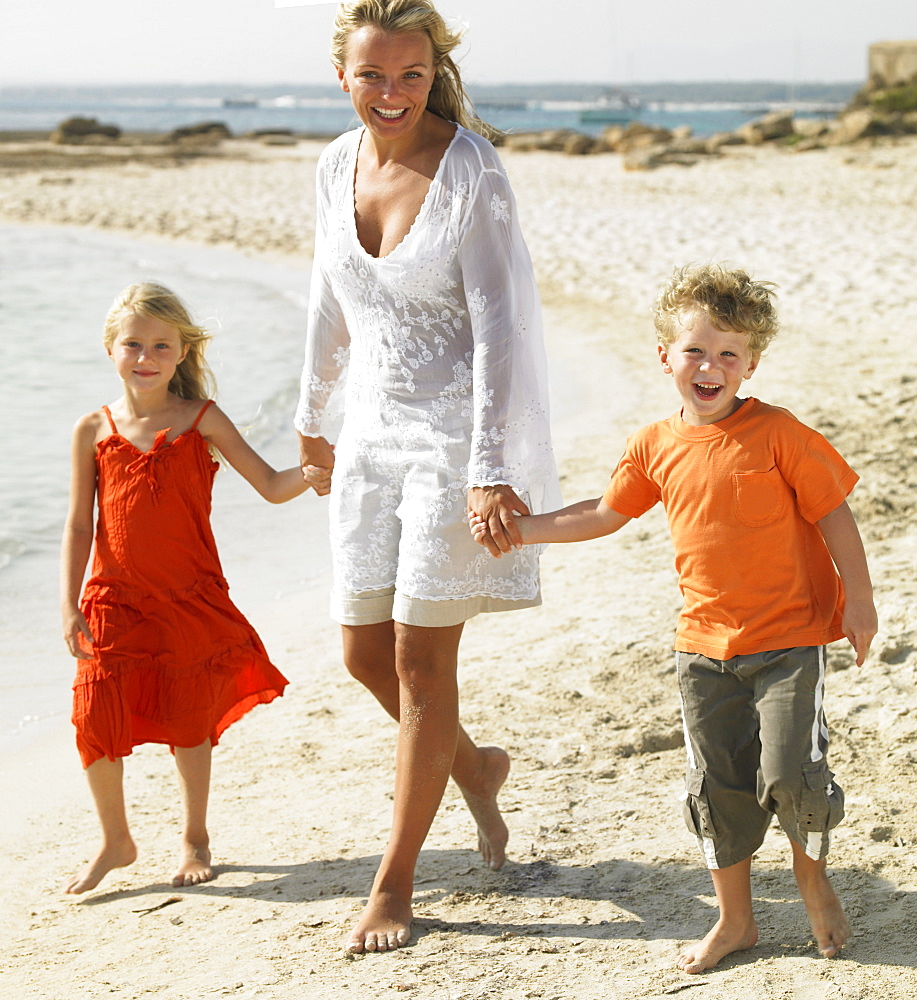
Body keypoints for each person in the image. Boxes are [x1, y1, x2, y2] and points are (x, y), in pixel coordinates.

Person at [471, 263, 878, 973]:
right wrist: (525, 528)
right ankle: (736, 921)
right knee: (717, 788)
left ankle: (813, 882)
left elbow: (835, 515)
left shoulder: (779, 434)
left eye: (729, 353)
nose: (711, 366)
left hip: (791, 641)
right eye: (695, 350)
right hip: (702, 648)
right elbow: (603, 514)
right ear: (665, 358)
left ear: (753, 361)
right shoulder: (654, 445)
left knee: (791, 775)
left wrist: (862, 602)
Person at [294, 0, 559, 954]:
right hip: (367, 434)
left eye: (410, 75)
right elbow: (328, 293)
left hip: (452, 443)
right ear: (344, 76)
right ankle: (476, 769)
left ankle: (394, 882)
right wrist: (309, 419)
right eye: (373, 75)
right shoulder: (332, 163)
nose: (392, 93)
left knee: (418, 662)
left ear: (433, 72)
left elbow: (500, 328)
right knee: (363, 655)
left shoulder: (474, 172)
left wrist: (492, 469)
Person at [61, 281, 322, 894]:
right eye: (133, 344)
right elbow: (79, 524)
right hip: (112, 598)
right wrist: (68, 606)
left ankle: (195, 834)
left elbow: (269, 483)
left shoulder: (200, 419)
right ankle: (115, 839)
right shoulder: (91, 430)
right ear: (110, 349)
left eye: (160, 346)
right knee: (94, 716)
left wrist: (313, 473)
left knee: (188, 721)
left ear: (181, 353)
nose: (145, 357)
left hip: (187, 596)